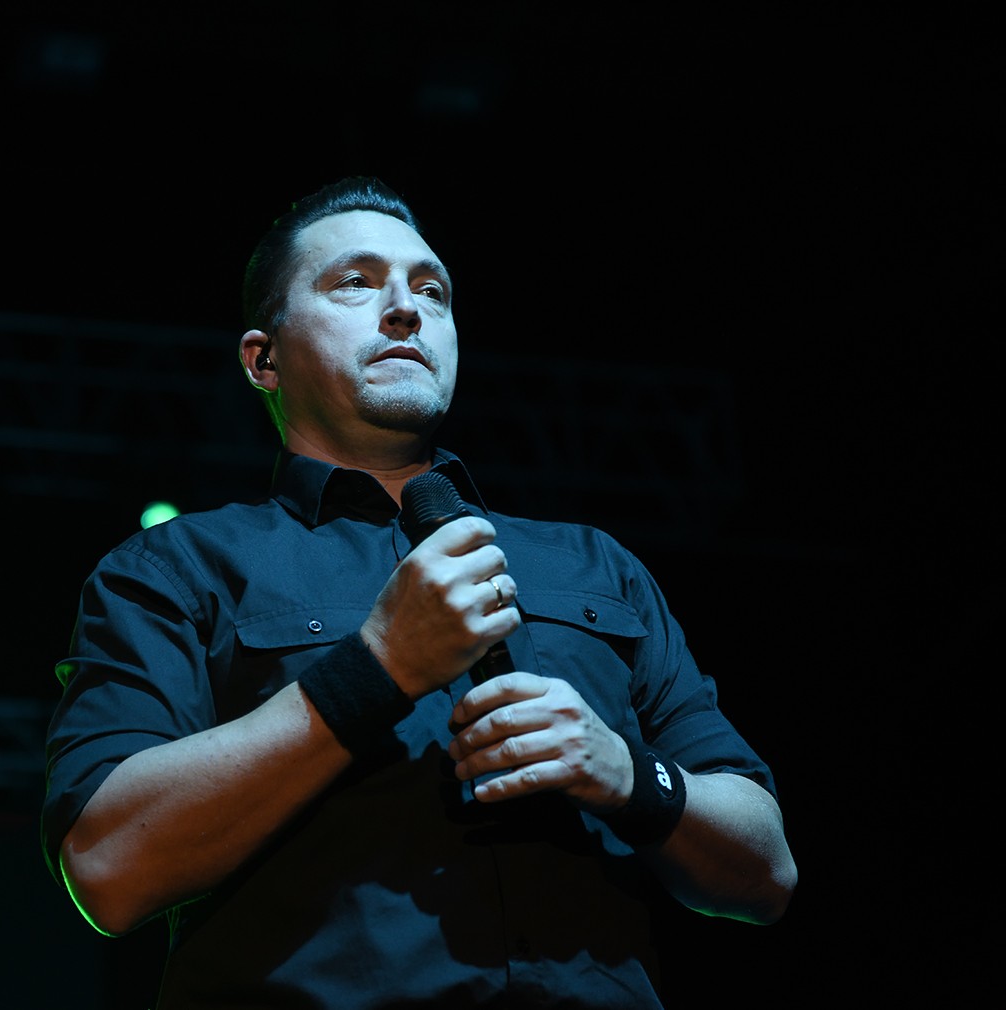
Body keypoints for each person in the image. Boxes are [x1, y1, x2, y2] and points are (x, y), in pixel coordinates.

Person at [41, 177, 797, 1009]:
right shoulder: (175, 568)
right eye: (355, 282)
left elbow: (766, 871)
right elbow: (106, 867)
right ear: (264, 360)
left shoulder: (594, 565)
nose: (406, 308)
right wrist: (377, 667)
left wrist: (625, 771)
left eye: (432, 291)